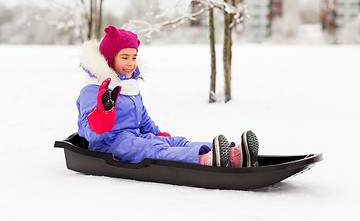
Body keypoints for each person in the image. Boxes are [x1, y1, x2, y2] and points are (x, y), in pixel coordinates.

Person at [76, 25, 259, 167]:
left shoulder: (128, 86)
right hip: (110, 145)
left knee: (175, 142)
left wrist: (158, 134)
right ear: (109, 58)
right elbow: (88, 134)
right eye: (125, 57)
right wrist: (103, 112)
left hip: (135, 137)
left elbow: (142, 118)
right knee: (154, 149)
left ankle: (232, 155)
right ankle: (204, 159)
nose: (131, 63)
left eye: (134, 57)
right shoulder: (92, 90)